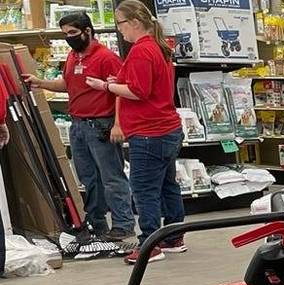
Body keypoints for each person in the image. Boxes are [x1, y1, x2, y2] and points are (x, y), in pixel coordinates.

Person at [85, 0, 185, 263]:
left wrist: (105, 87)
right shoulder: (160, 48)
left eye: (120, 24)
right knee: (167, 185)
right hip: (167, 128)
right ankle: (175, 237)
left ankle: (150, 245)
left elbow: (138, 92)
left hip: (150, 133)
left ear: (135, 23)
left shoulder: (141, 51)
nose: (119, 30)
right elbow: (147, 85)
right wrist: (119, 82)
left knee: (144, 191)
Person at [24, 12, 134, 243]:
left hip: (101, 124)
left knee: (111, 176)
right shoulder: (73, 57)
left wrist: (118, 123)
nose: (69, 38)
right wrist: (40, 82)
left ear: (88, 31)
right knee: (88, 177)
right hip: (78, 125)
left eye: (72, 33)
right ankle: (97, 223)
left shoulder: (107, 57)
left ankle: (123, 224)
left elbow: (121, 90)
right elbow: (67, 84)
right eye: (65, 34)